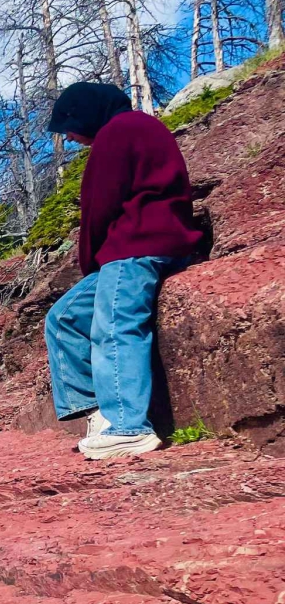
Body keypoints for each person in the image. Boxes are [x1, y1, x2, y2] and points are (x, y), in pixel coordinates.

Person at [43, 82, 204, 460]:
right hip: (153, 246)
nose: (68, 137)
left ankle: (129, 428)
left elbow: (99, 208)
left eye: (68, 126)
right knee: (64, 318)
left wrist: (91, 262)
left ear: (85, 115)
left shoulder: (117, 132)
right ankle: (101, 416)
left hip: (136, 247)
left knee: (114, 326)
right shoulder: (141, 127)